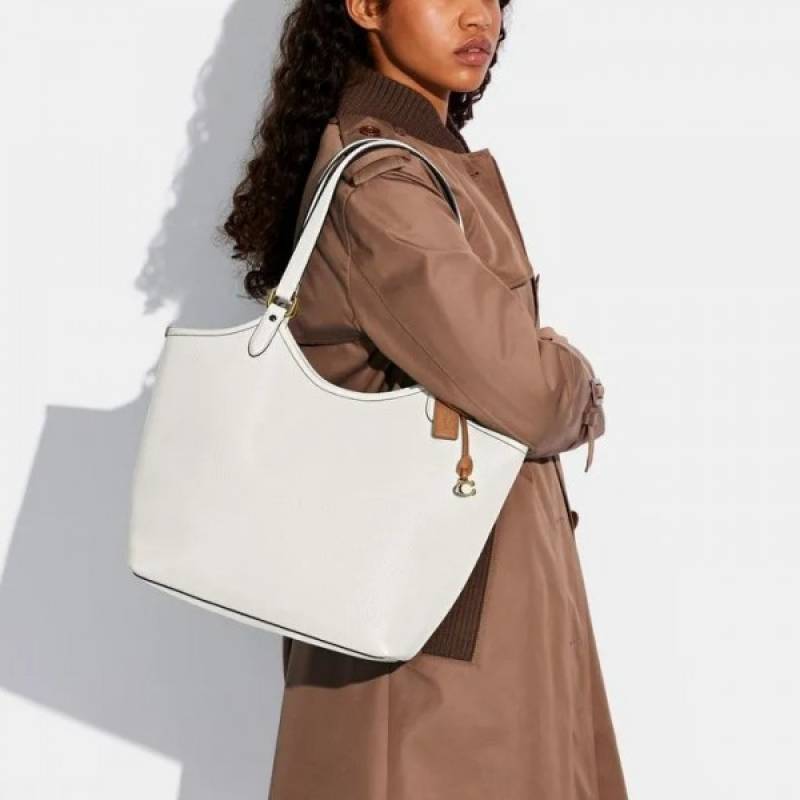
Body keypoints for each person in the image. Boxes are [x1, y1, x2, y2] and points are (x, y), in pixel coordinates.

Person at [221, 1, 628, 797]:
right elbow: (530, 394)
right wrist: (579, 378)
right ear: (366, 7)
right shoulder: (382, 183)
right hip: (433, 645)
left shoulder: (424, 164)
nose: (480, 15)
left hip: (464, 617)